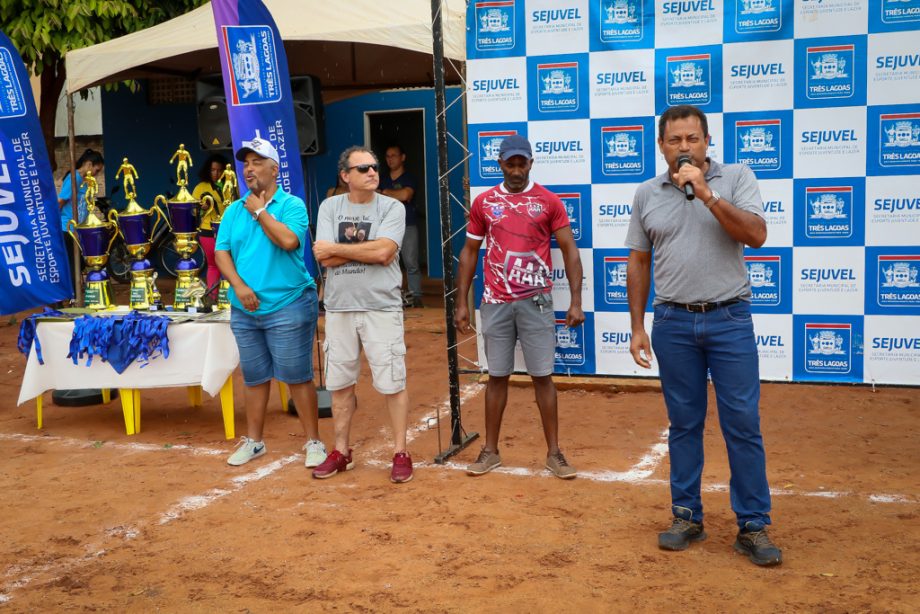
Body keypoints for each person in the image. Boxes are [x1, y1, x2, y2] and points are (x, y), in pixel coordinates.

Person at [625, 105, 782, 567]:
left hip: (729, 319)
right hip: (673, 323)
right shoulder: (647, 192)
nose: (684, 147)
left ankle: (753, 525)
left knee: (742, 423)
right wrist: (637, 326)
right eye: (675, 140)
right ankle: (686, 516)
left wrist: (707, 194)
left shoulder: (736, 178)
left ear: (708, 141)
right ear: (661, 147)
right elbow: (638, 260)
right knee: (684, 424)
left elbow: (756, 235)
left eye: (693, 138)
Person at [453, 134, 584, 480]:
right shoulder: (484, 202)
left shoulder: (548, 201)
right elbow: (468, 253)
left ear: (530, 163)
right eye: (509, 163)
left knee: (543, 376)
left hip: (536, 301)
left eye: (520, 163)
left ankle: (554, 453)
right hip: (494, 301)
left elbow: (570, 250)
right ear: (499, 164)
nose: (515, 170)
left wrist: (575, 301)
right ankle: (491, 451)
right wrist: (461, 303)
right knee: (496, 376)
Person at [214, 135, 326, 470]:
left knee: (297, 375)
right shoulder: (234, 211)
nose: (249, 169)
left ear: (274, 169)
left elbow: (290, 242)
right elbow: (221, 252)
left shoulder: (292, 205)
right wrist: (239, 286)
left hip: (289, 303)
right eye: (245, 163)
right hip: (245, 307)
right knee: (254, 376)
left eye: (257, 162)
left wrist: (261, 211)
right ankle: (255, 441)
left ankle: (314, 442)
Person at [310, 145, 413, 484]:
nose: (373, 172)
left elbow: (385, 252)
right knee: (340, 385)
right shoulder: (330, 206)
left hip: (381, 307)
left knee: (392, 382)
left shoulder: (392, 206)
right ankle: (341, 452)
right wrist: (363, 252)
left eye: (374, 166)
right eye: (363, 168)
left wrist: (340, 250)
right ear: (345, 176)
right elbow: (323, 258)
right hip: (339, 308)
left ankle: (401, 452)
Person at [379, 145, 423, 308]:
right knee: (389, 262)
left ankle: (415, 297)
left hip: (408, 224)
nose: (390, 159)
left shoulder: (409, 177)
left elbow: (406, 194)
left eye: (394, 155)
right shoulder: (382, 178)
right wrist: (392, 194)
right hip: (386, 228)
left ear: (402, 157)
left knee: (411, 262)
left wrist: (384, 193)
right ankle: (392, 296)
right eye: (387, 156)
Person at [57, 148, 104, 295]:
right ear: (89, 164)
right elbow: (61, 201)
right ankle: (72, 296)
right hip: (67, 228)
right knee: (73, 264)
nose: (97, 175)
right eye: (97, 170)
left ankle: (72, 294)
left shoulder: (84, 181)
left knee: (79, 263)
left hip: (77, 230)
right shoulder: (74, 178)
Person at [193, 153, 230, 296]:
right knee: (213, 265)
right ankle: (213, 298)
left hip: (227, 230)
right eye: (213, 170)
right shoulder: (200, 187)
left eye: (219, 170)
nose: (216, 173)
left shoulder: (230, 186)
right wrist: (200, 208)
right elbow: (194, 210)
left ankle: (228, 299)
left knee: (229, 265)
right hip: (208, 230)